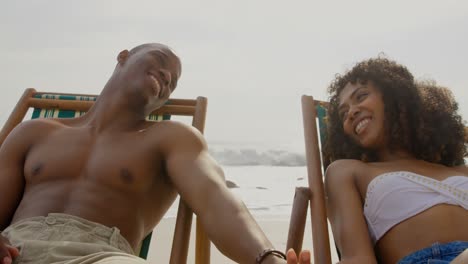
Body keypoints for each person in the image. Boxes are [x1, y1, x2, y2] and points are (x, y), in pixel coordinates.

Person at [0, 43, 310, 264]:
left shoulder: (171, 138)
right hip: (14, 248)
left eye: (172, 82)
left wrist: (268, 259)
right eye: (159, 60)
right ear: (123, 56)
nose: (167, 76)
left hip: (101, 255)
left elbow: (216, 199)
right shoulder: (35, 131)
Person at [322, 57, 468, 263]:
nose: (352, 112)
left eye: (361, 96)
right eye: (343, 113)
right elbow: (357, 258)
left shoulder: (462, 171)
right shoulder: (348, 172)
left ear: (396, 97)